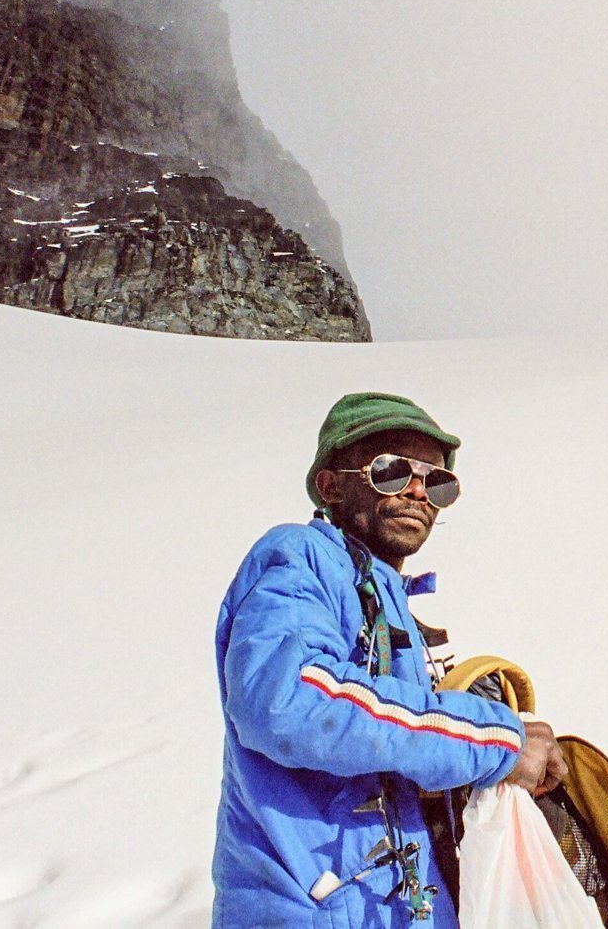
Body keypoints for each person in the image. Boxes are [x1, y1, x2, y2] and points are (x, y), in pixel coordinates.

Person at [212, 391, 567, 927]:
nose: (419, 492)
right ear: (331, 485)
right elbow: (287, 700)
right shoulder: (300, 558)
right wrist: (490, 738)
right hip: (311, 911)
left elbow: (390, 736)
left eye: (438, 481)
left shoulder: (389, 596)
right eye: (392, 471)